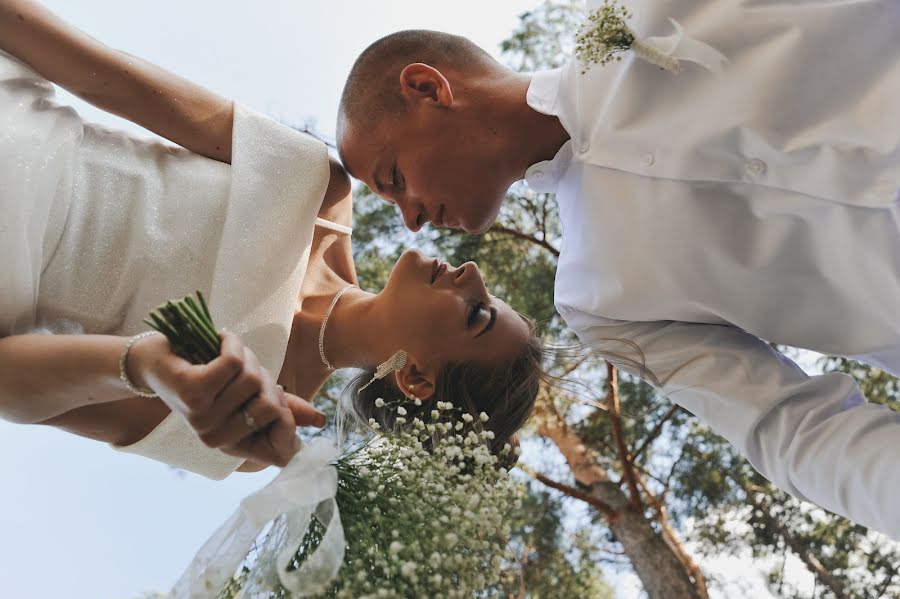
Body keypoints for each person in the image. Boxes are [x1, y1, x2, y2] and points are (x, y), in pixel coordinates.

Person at [335, 2, 900, 538]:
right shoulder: (597, 300)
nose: (409, 220)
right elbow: (789, 427)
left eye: (392, 180)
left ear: (428, 88)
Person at [0, 0, 541, 480]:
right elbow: (109, 79)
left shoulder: (251, 430)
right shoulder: (320, 190)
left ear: (416, 378)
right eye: (492, 295)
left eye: (479, 315)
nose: (473, 276)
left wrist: (141, 363)